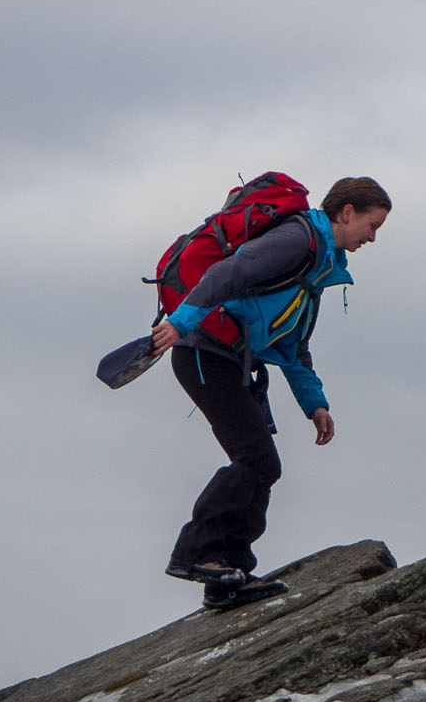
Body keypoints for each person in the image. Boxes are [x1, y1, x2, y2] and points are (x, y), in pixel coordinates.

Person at [149, 176, 391, 608]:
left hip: (231, 359)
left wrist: (315, 405)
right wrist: (181, 322)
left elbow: (294, 346)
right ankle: (197, 553)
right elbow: (229, 272)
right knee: (257, 460)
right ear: (348, 212)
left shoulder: (318, 265)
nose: (373, 238)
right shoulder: (298, 240)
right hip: (204, 351)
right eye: (372, 225)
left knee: (263, 465)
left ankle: (229, 574)